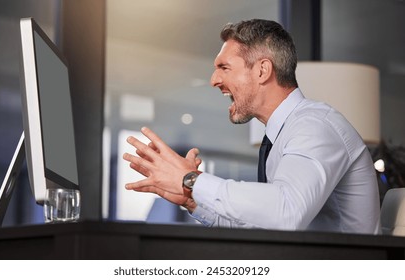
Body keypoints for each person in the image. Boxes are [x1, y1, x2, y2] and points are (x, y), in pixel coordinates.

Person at [122, 19, 381, 234]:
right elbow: (267, 224)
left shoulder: (314, 126)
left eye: (224, 67)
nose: (214, 80)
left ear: (262, 71)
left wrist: (191, 180)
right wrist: (193, 200)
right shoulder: (280, 136)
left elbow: (287, 213)